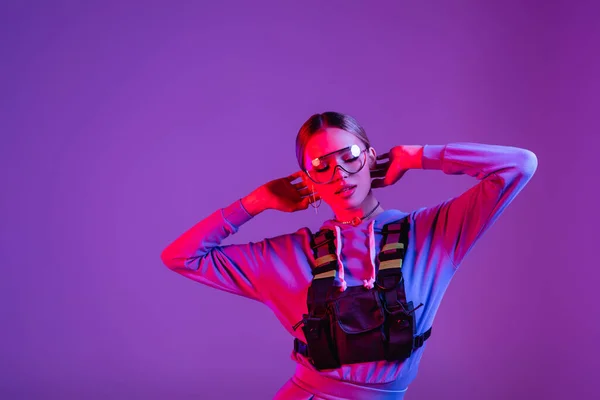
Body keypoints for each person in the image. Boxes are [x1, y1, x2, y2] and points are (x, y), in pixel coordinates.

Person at [160, 112, 538, 399]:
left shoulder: (432, 233)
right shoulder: (289, 253)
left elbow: (519, 165)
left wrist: (420, 156)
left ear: (372, 157)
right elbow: (181, 257)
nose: (340, 174)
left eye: (350, 156)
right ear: (308, 180)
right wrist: (255, 203)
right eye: (321, 167)